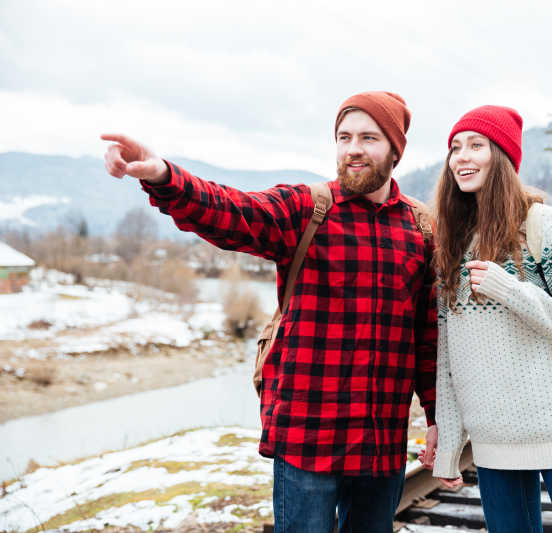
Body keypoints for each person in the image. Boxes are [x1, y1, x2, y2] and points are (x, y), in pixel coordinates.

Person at [100, 91, 438, 533]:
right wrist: (164, 176)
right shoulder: (308, 209)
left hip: (381, 443)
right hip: (307, 439)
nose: (353, 148)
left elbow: (427, 337)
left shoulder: (419, 228)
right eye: (344, 136)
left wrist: (436, 416)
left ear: (396, 149)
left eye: (369, 138)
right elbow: (229, 211)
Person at [422, 105, 552, 532]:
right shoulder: (452, 245)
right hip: (494, 444)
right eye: (455, 147)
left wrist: (511, 291)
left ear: (503, 159)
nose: (462, 157)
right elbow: (448, 358)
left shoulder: (543, 224)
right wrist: (451, 444)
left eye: (476, 145)